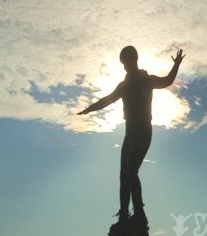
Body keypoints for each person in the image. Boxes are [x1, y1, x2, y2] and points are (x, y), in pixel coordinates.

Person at [78, 46, 185, 224]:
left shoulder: (146, 80)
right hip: (130, 132)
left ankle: (139, 213)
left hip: (143, 131)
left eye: (127, 62)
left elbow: (167, 81)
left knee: (131, 171)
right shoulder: (124, 85)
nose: (125, 66)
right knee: (124, 174)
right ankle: (123, 214)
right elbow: (108, 99)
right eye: (123, 64)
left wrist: (176, 65)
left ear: (134, 60)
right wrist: (90, 109)